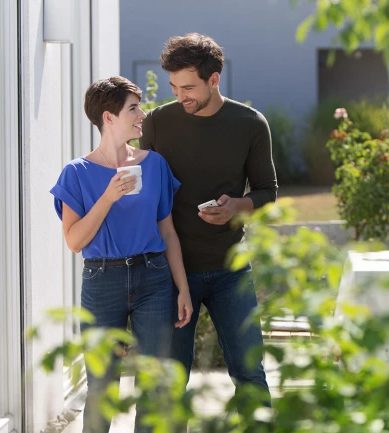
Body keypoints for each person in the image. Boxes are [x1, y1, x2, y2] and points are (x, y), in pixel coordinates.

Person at [139, 33, 277, 405]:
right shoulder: (157, 123)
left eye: (188, 87)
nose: (180, 96)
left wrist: (237, 206)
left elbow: (267, 191)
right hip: (170, 273)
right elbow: (142, 193)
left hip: (230, 269)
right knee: (168, 382)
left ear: (214, 79)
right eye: (173, 87)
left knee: (250, 372)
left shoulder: (250, 123)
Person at [50, 76, 193, 433]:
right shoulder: (76, 174)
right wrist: (108, 197)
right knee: (102, 385)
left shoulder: (155, 164)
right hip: (102, 282)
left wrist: (183, 288)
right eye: (133, 108)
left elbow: (168, 232)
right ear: (108, 117)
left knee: (154, 384)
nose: (141, 115)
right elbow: (74, 240)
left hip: (154, 278)